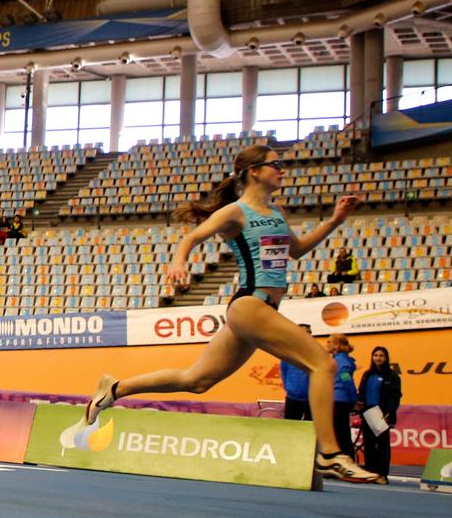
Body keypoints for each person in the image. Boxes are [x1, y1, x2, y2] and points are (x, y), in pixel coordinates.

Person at [82, 142, 379, 482]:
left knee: (196, 380)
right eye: (275, 164)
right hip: (249, 305)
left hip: (258, 310)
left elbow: (296, 250)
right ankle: (329, 452)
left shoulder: (277, 214)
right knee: (323, 364)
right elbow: (191, 238)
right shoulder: (236, 212)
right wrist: (179, 263)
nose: (281, 169)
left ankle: (114, 388)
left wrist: (337, 220)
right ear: (254, 171)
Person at [358, 345, 403, 485]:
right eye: (375, 355)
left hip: (382, 414)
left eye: (381, 355)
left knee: (382, 446)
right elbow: (361, 392)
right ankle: (371, 473)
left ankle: (382, 474)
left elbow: (395, 397)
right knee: (369, 444)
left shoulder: (392, 376)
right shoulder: (367, 375)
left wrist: (389, 413)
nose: (378, 358)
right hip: (367, 413)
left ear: (386, 358)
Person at [278, 323, 317, 421]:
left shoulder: (316, 352)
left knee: (311, 429)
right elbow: (284, 371)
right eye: (304, 332)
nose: (307, 335)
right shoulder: (288, 352)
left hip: (312, 398)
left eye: (309, 332)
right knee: (291, 428)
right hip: (293, 397)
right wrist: (289, 388)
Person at [329, 333, 359, 456]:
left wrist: (354, 399)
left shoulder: (341, 361)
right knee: (341, 434)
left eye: (329, 341)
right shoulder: (338, 359)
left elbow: (346, 379)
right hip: (337, 400)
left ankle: (348, 460)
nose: (327, 344)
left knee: (341, 435)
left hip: (339, 401)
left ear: (336, 345)